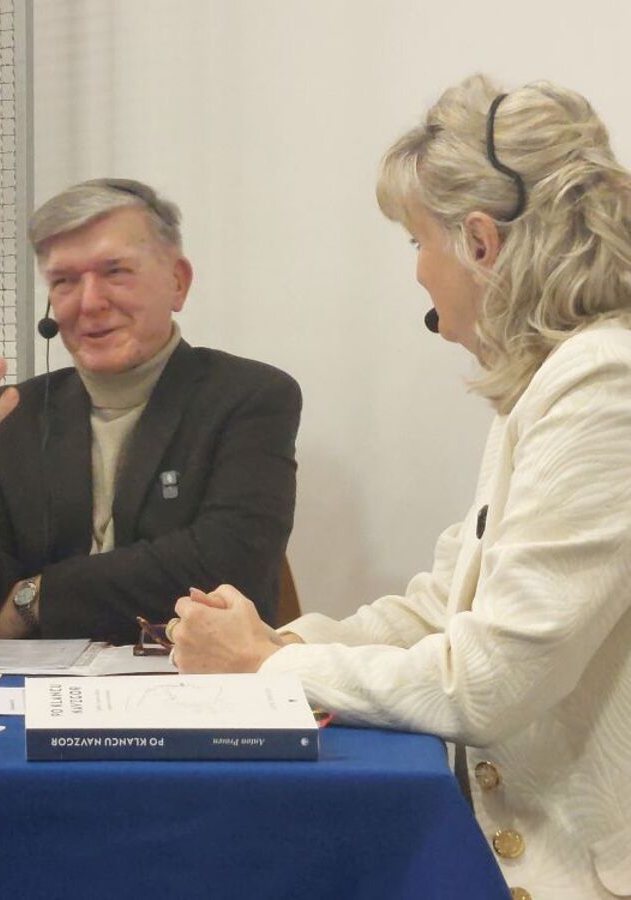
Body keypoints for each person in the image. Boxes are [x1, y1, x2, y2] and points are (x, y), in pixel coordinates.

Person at [170, 76, 631, 899]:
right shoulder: (555, 380)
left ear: (481, 243)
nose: (418, 271)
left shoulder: (601, 384)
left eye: (417, 241)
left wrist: (269, 667)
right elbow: (443, 606)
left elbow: (488, 681)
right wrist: (283, 647)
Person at [0, 178, 301, 644]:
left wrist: (36, 597)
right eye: (64, 281)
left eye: (116, 272)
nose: (89, 303)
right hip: (32, 687)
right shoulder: (8, 417)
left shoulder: (249, 398)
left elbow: (225, 568)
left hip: (198, 677)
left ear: (177, 282)